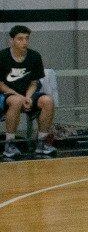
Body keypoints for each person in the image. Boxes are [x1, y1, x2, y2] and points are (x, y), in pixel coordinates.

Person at [1, 26, 54, 158]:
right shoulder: (2, 56)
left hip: (28, 94)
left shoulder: (34, 56)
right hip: (7, 94)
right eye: (20, 39)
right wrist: (20, 96)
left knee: (47, 101)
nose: (24, 42)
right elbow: (0, 84)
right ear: (11, 40)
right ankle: (9, 145)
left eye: (26, 39)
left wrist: (29, 97)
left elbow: (34, 83)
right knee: (17, 100)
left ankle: (41, 143)